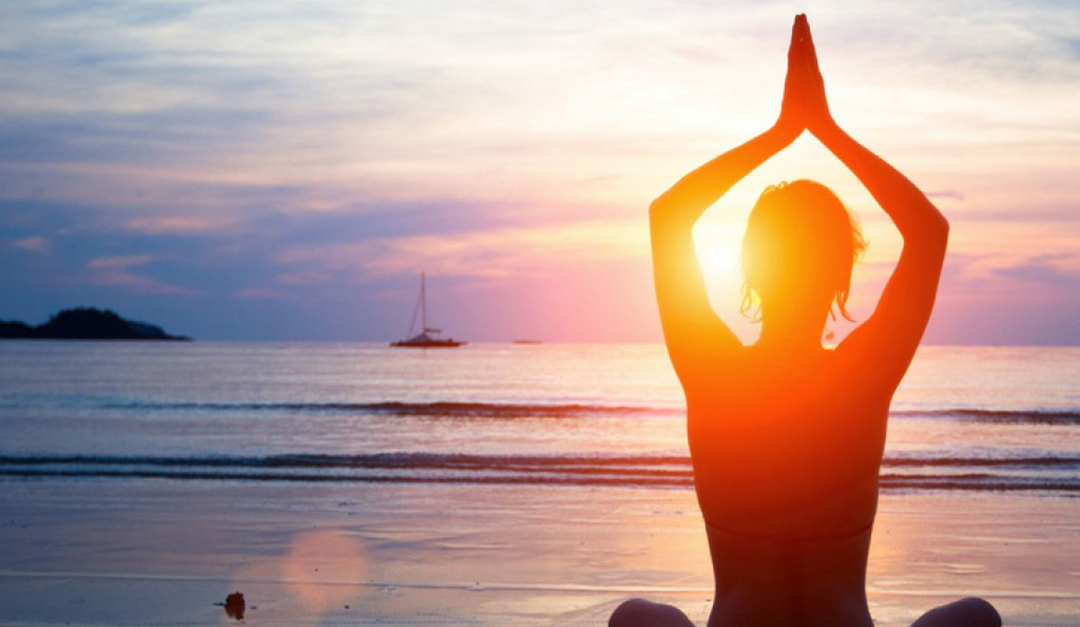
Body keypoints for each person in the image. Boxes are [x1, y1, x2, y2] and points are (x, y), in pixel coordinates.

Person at [610, 14, 1002, 627]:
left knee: (634, 616)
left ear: (751, 271)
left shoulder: (713, 372)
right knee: (976, 615)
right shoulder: (864, 375)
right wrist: (826, 128)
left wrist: (780, 132)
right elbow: (929, 232)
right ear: (841, 276)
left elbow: (668, 217)